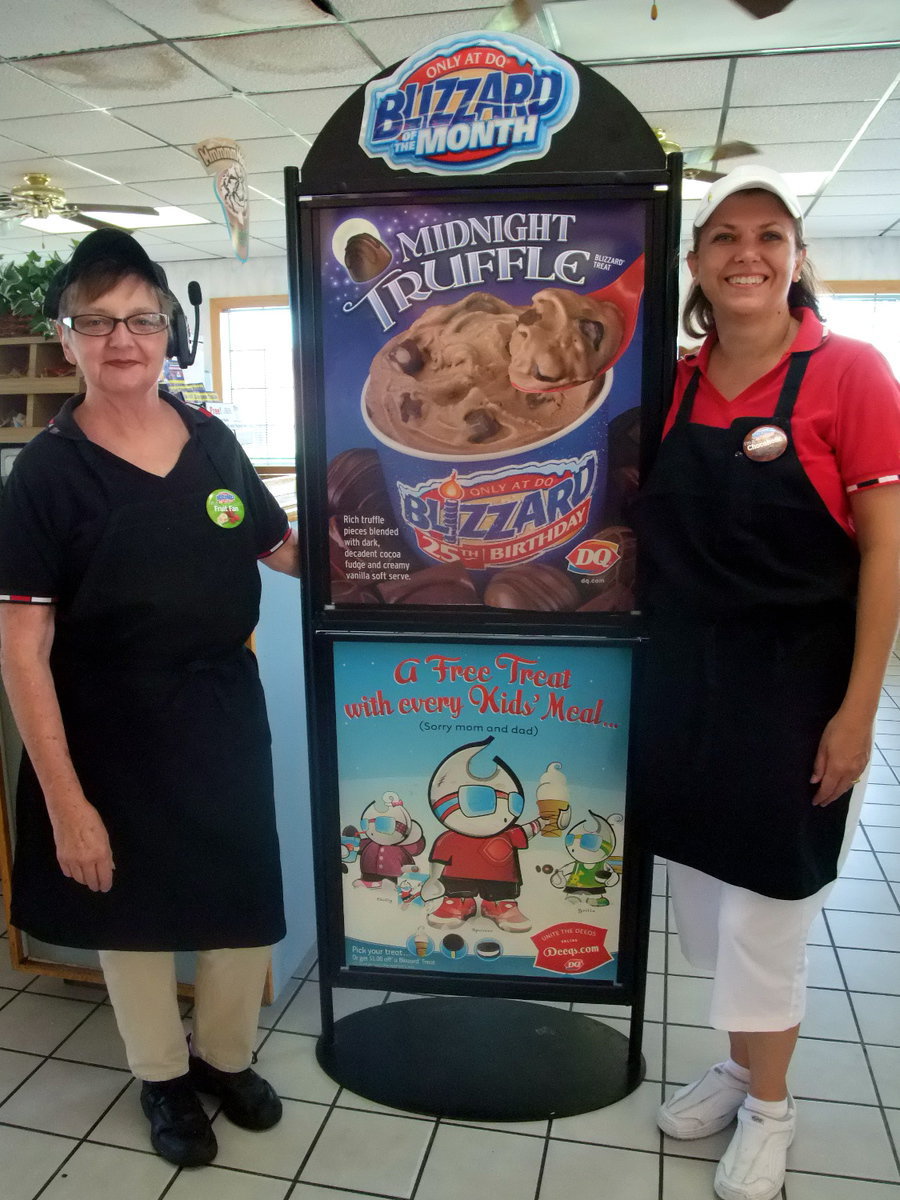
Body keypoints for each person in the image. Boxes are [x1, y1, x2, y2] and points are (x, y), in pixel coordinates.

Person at [0, 229, 300, 1168]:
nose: (122, 338)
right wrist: (64, 800)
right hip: (106, 727)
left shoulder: (213, 441)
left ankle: (224, 1058)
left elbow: (278, 546)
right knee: (126, 911)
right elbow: (22, 648)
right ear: (67, 339)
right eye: (97, 321)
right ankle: (162, 1078)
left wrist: (388, 549)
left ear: (171, 331)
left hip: (221, 713)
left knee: (238, 898)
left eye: (141, 318)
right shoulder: (46, 474)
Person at [633, 166, 900, 1200]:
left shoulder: (853, 375)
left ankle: (772, 1113)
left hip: (798, 689)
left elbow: (886, 556)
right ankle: (741, 1065)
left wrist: (858, 713)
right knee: (705, 910)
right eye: (726, 237)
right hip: (687, 682)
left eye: (771, 235)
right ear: (697, 264)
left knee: (769, 913)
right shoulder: (677, 385)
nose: (749, 252)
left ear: (795, 257)